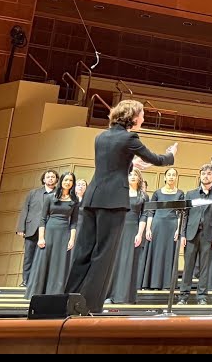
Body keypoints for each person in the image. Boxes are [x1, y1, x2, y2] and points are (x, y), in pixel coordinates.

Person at [63, 100, 176, 314]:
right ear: (133, 117)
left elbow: (111, 162)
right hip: (113, 201)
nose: (143, 119)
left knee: (83, 251)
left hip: (92, 198)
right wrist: (171, 155)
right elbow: (157, 159)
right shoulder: (130, 137)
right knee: (104, 253)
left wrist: (132, 164)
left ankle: (69, 301)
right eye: (142, 115)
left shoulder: (101, 136)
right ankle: (90, 305)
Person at [27, 171, 79, 298]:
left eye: (71, 180)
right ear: (61, 181)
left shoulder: (74, 200)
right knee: (45, 261)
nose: (68, 182)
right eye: (66, 180)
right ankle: (38, 293)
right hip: (49, 232)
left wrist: (72, 240)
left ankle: (55, 293)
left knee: (59, 263)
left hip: (64, 234)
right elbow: (42, 219)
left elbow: (74, 222)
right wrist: (41, 238)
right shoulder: (50, 197)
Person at [179, 164, 212, 304]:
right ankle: (183, 296)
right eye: (203, 173)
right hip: (191, 234)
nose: (205, 176)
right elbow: (185, 215)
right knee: (188, 267)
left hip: (208, 235)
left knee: (204, 268)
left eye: (209, 173)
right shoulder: (190, 194)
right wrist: (182, 235)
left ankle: (202, 296)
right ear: (200, 175)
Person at [108, 170, 149, 304]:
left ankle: (125, 296)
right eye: (130, 175)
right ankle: (110, 295)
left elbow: (144, 215)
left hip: (133, 229)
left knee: (129, 261)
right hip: (118, 228)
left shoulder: (143, 195)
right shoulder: (120, 193)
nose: (132, 177)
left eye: (135, 175)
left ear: (139, 178)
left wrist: (139, 233)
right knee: (115, 261)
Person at [16, 169, 57, 286]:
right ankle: (26, 281)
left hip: (50, 229)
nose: (50, 178)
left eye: (53, 177)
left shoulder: (59, 194)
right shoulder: (33, 193)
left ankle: (42, 282)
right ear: (43, 179)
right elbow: (25, 209)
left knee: (46, 257)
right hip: (32, 228)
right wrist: (21, 228)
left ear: (56, 180)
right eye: (48, 177)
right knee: (29, 256)